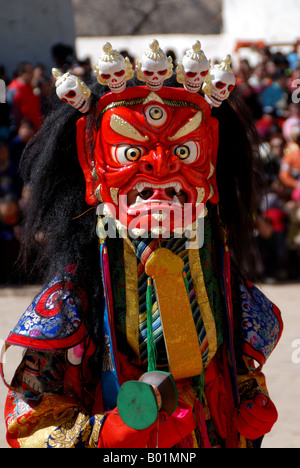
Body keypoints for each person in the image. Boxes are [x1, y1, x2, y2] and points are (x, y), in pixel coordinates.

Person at [1, 41, 282, 449]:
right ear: (92, 163)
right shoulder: (74, 295)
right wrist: (104, 436)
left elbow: (235, 364)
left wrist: (248, 403)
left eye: (184, 150)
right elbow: (31, 417)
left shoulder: (218, 271)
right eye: (131, 151)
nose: (160, 164)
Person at [6, 62, 43, 133]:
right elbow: (12, 114)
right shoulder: (13, 90)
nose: (32, 74)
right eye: (30, 72)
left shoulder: (31, 87)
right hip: (23, 133)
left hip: (37, 131)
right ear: (21, 73)